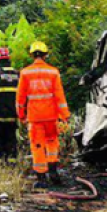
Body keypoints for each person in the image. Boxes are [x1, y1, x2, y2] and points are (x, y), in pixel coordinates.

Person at [16, 41, 69, 186]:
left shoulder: (25, 73)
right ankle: (53, 171)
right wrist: (64, 115)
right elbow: (60, 96)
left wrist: (21, 115)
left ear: (32, 55)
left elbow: (20, 98)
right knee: (52, 142)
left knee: (37, 145)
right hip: (51, 116)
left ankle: (41, 178)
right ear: (45, 55)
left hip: (35, 117)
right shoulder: (53, 72)